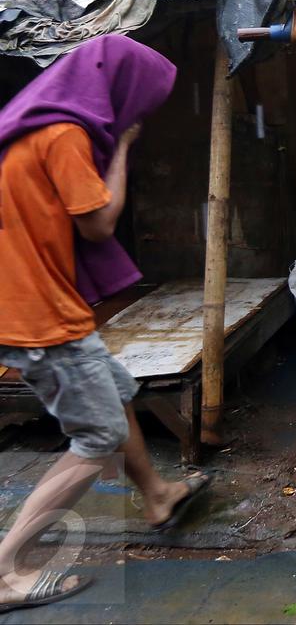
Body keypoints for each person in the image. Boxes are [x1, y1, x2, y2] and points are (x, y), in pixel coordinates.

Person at [0, 35, 211, 614]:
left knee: (115, 394)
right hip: (40, 317)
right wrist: (120, 147)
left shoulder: (29, 122)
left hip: (32, 303)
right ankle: (6, 569)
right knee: (96, 438)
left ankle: (158, 495)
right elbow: (98, 222)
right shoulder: (64, 134)